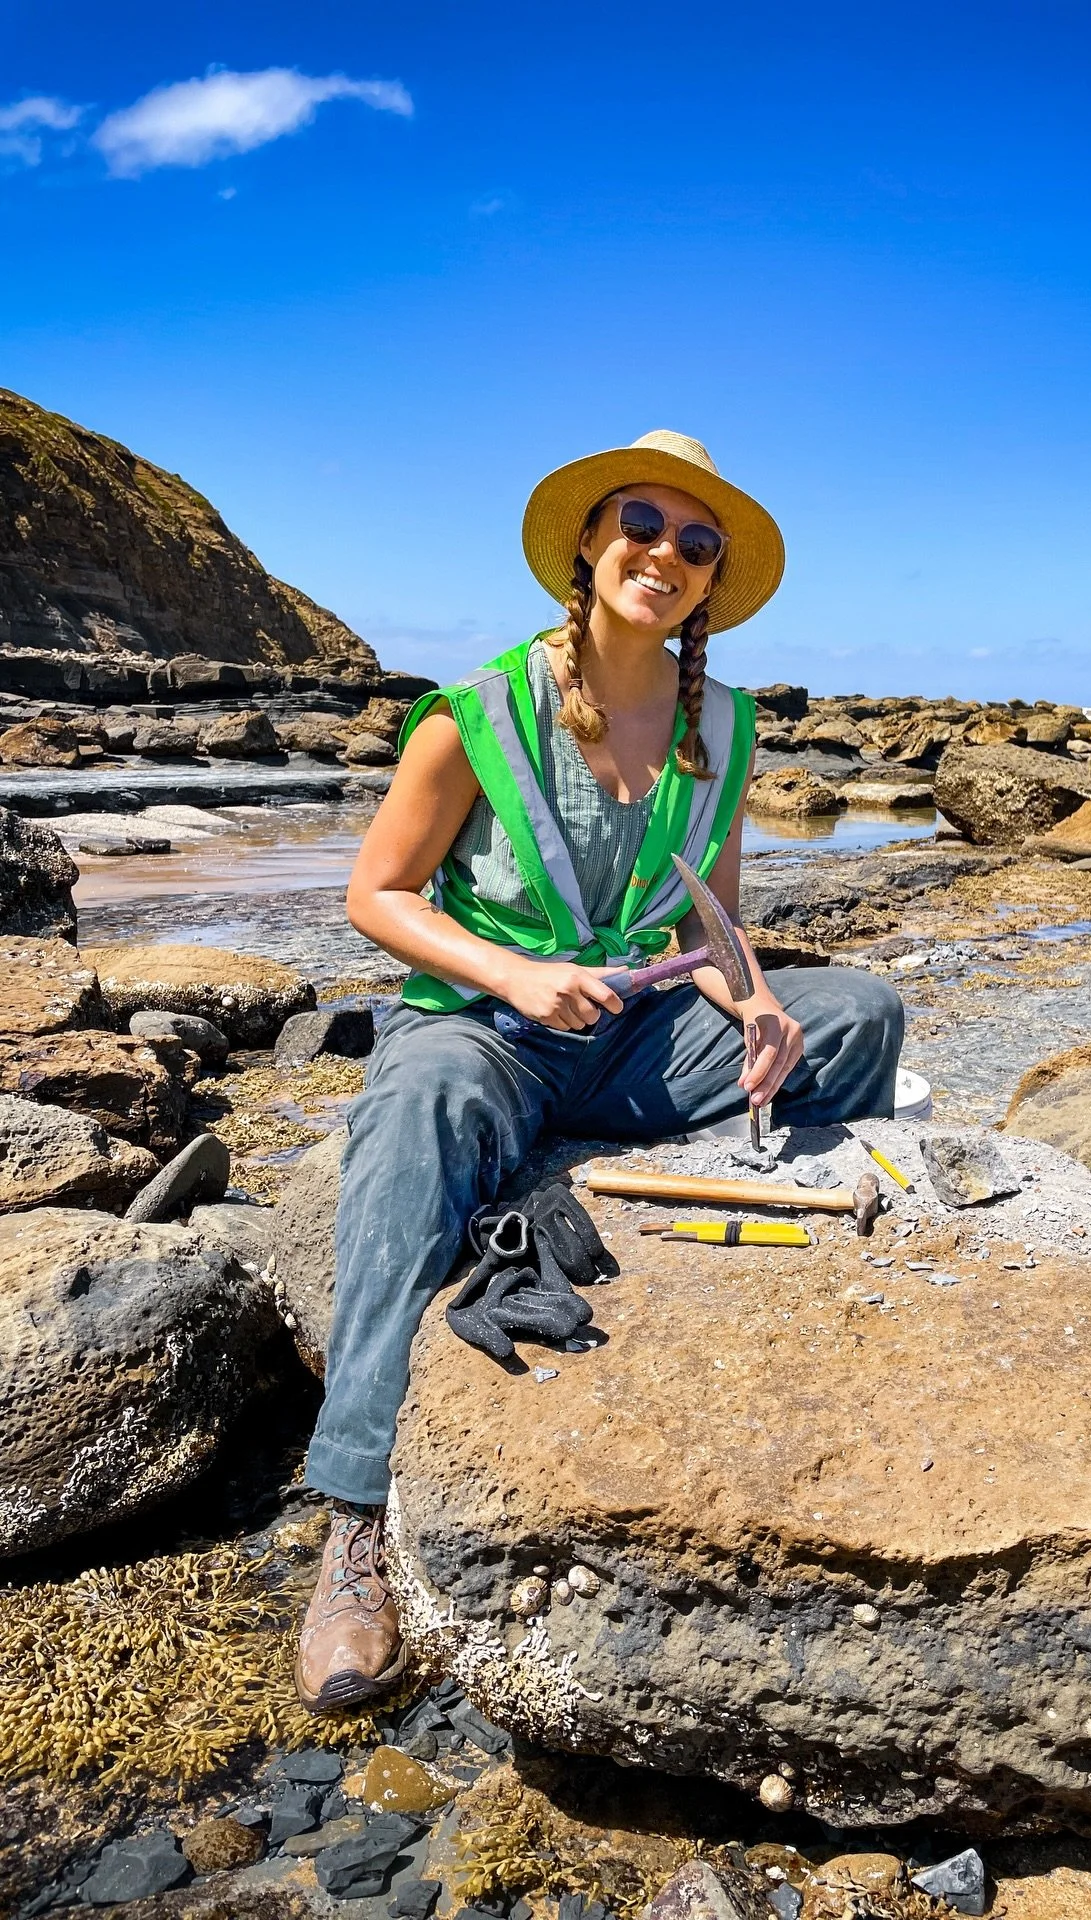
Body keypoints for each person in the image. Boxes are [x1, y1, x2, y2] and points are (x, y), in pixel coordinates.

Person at [294, 430, 905, 1711]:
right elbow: (377, 893)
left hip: (631, 1031)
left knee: (856, 1014)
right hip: (486, 1025)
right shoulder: (481, 712)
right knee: (420, 1102)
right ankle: (352, 1518)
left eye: (697, 543)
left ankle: (693, 1221)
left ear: (711, 578)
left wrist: (752, 1009)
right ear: (588, 539)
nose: (665, 555)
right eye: (643, 524)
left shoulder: (722, 728)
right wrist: (513, 977)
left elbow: (711, 926)